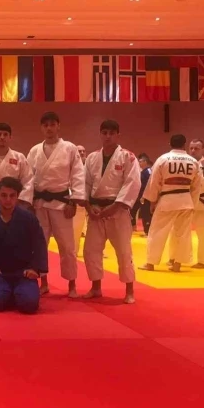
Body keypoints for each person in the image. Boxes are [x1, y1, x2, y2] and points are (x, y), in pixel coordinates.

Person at [81, 120, 141, 304]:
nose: (108, 136)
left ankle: (129, 290)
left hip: (117, 211)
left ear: (118, 135)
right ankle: (96, 287)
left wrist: (115, 206)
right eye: (104, 132)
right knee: (91, 251)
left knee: (123, 251)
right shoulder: (92, 158)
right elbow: (85, 184)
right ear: (100, 134)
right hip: (96, 211)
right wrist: (88, 206)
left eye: (111, 133)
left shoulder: (128, 157)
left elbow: (132, 183)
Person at [26, 112, 86, 297]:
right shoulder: (35, 150)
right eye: (45, 125)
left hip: (62, 204)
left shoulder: (69, 148)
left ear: (58, 126)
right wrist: (28, 202)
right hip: (40, 204)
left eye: (52, 124)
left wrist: (73, 201)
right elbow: (28, 178)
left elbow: (77, 175)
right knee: (39, 245)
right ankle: (43, 282)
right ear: (41, 128)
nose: (49, 128)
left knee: (67, 246)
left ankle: (72, 284)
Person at [0, 177, 48, 313]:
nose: (8, 199)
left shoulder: (28, 218)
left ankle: (16, 293)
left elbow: (40, 244)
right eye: (4, 195)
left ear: (17, 196)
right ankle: (11, 294)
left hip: (24, 272)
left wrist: (35, 269)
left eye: (12, 196)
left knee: (29, 305)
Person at [140, 134, 200, 272]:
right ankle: (177, 264)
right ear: (184, 145)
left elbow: (154, 182)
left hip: (167, 200)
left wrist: (153, 201)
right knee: (183, 234)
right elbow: (196, 186)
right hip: (186, 200)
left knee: (157, 231)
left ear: (170, 144)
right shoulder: (193, 162)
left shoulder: (163, 159)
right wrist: (193, 203)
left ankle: (150, 263)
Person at [167, 139, 204, 269]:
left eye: (197, 148)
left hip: (202, 201)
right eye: (191, 148)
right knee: (177, 230)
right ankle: (174, 257)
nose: (193, 151)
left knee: (203, 232)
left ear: (203, 150)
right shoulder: (185, 162)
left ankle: (203, 260)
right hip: (185, 200)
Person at [73, 145, 88, 257]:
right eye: (79, 151)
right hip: (78, 203)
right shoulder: (71, 166)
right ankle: (74, 251)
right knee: (76, 230)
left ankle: (96, 252)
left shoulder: (90, 165)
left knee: (95, 231)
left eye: (83, 151)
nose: (82, 153)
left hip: (91, 202)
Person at [135, 154, 153, 235]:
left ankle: (148, 230)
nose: (139, 163)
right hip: (141, 196)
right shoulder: (143, 172)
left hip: (146, 197)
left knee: (147, 213)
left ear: (145, 161)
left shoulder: (148, 171)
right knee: (143, 213)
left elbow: (149, 184)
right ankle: (146, 230)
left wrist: (144, 195)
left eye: (140, 161)